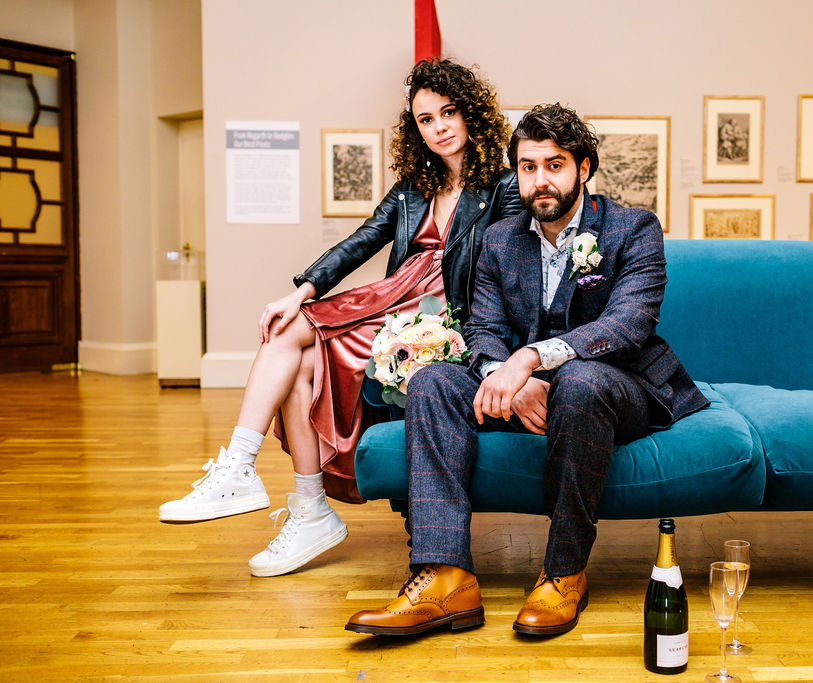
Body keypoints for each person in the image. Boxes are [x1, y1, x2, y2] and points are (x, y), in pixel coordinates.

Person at [345, 104, 709, 637]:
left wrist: (530, 359)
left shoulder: (634, 230)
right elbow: (484, 329)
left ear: (584, 167)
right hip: (532, 388)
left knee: (580, 383)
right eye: (528, 166)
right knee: (433, 382)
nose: (540, 180)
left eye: (554, 165)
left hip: (618, 384)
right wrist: (506, 378)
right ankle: (446, 577)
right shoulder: (501, 239)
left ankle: (564, 574)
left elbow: (628, 325)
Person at [158, 59, 521, 578]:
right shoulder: (413, 187)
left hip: (448, 312)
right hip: (394, 298)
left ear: (471, 115)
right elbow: (363, 241)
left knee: (298, 351)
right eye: (425, 119)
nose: (439, 127)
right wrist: (300, 290)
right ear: (413, 129)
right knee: (291, 342)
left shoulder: (502, 186)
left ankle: (266, 485)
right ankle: (292, 498)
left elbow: (509, 269)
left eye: (449, 112)